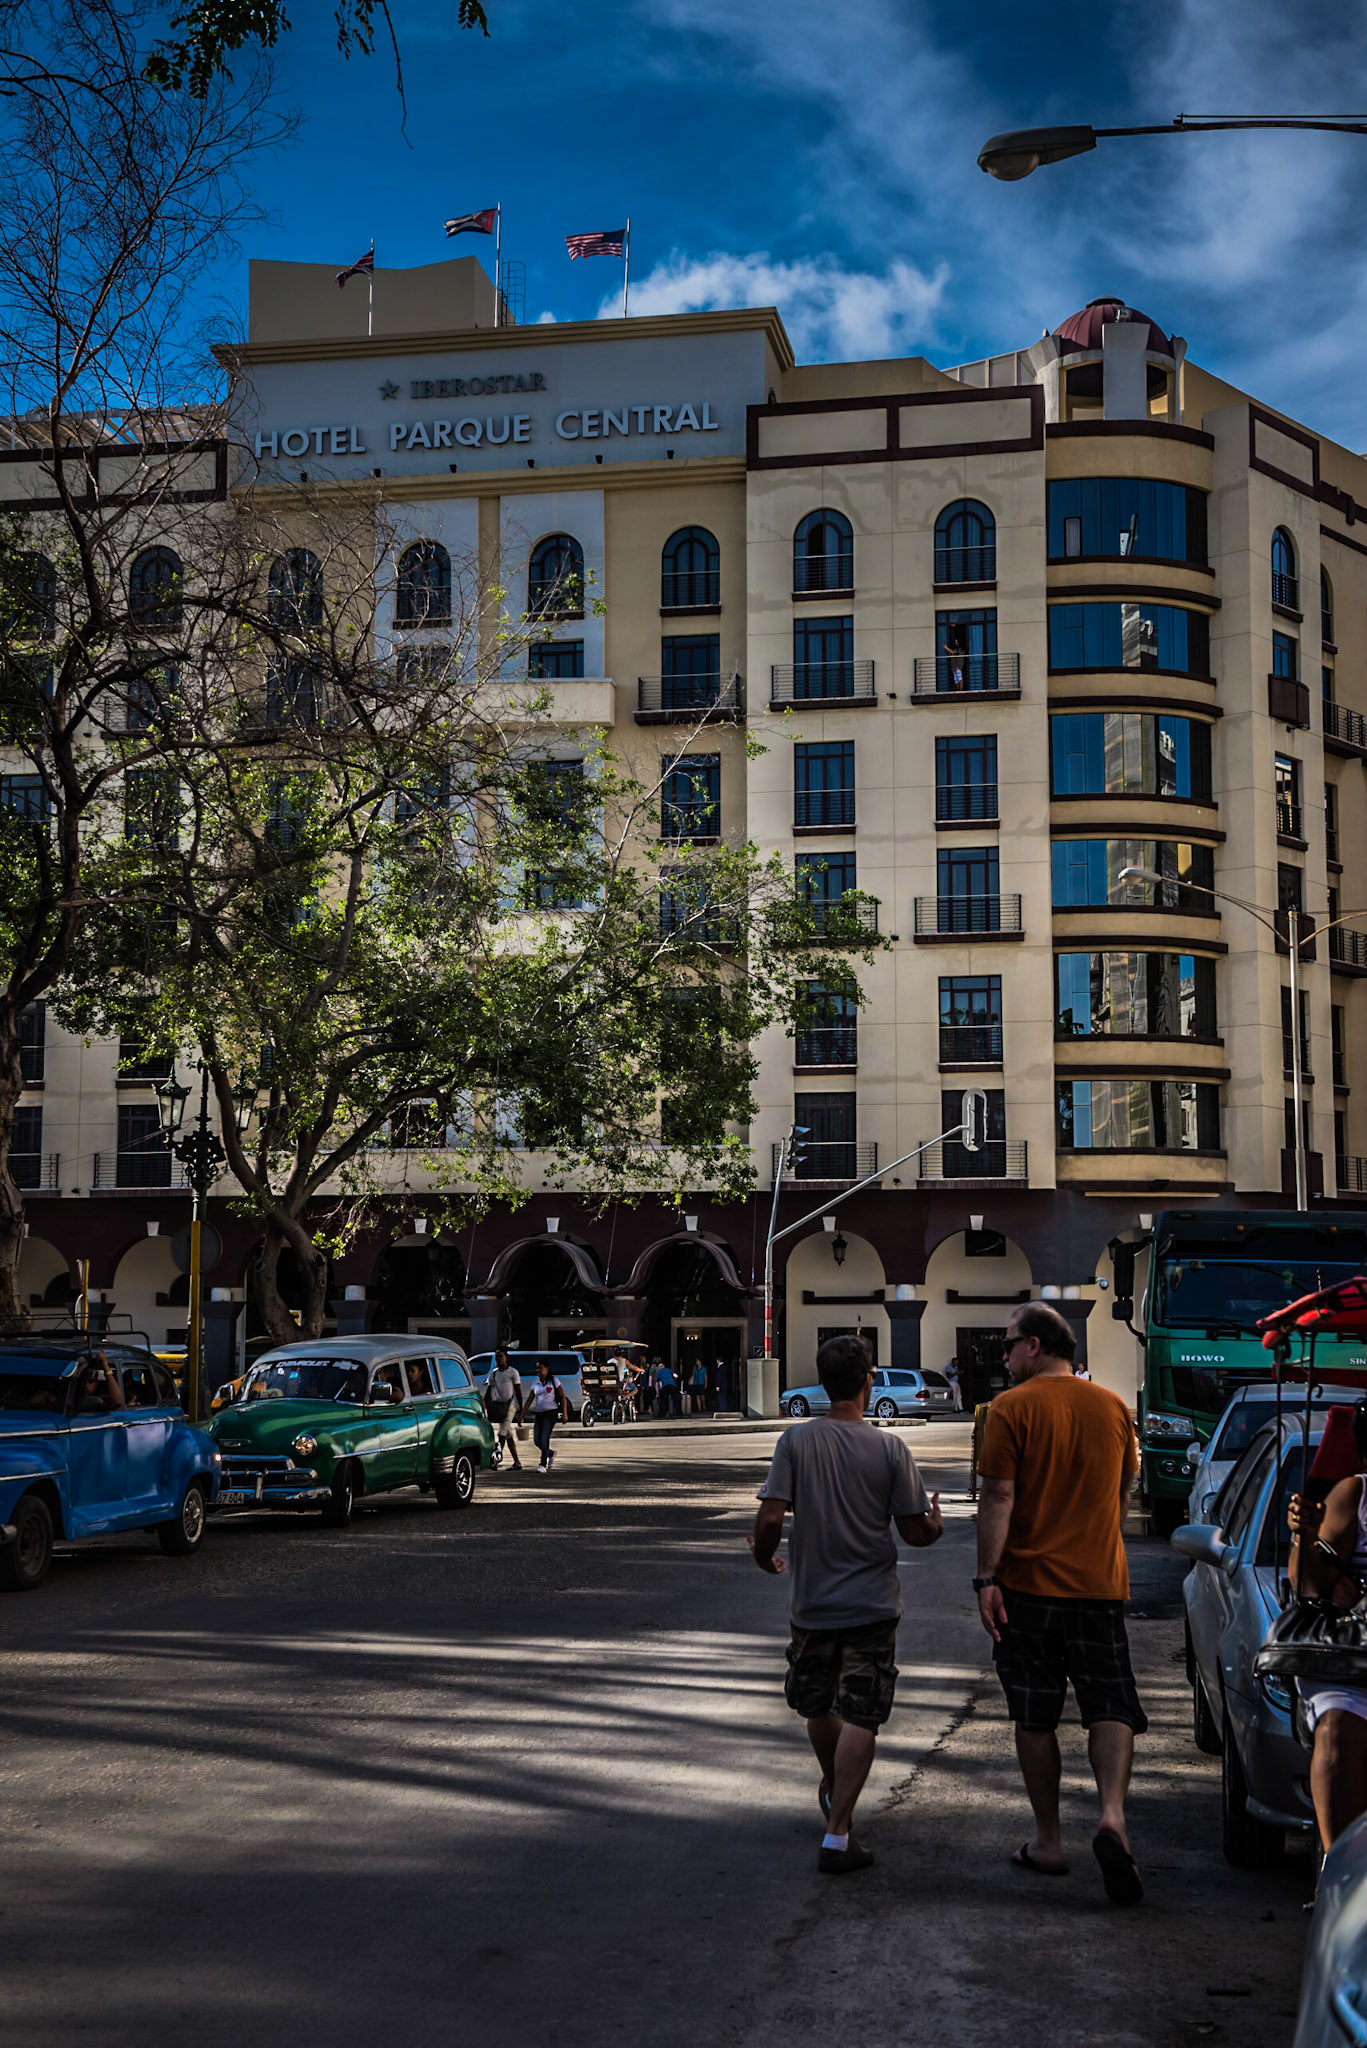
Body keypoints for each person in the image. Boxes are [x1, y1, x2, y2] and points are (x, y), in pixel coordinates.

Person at [751, 1333, 943, 1875]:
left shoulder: (794, 1442)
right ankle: (838, 1830)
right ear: (868, 1382)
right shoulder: (889, 1448)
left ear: (822, 1381)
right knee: (862, 1712)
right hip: (872, 1605)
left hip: (811, 1603)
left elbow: (769, 1518)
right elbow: (915, 1532)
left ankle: (837, 1793)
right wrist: (936, 1520)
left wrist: (766, 1559)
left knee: (817, 1706)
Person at [975, 1302, 1145, 1905]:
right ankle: (1112, 1820)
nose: (1004, 1356)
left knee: (1035, 1713)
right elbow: (1122, 1496)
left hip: (1028, 1588)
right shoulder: (1114, 1407)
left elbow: (998, 1496)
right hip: (1100, 1585)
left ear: (1037, 1346)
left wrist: (985, 1577)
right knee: (1110, 1703)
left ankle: (1049, 1840)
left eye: (1008, 1344)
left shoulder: (1010, 1408)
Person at [1288, 1398, 1367, 1847]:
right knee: (1337, 1727)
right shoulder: (1354, 1494)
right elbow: (1308, 1584)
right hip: (1355, 1658)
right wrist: (1307, 1537)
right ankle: (1337, 1866)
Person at [521, 1358, 567, 1473]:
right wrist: (522, 1414)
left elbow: (562, 1396)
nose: (538, 1371)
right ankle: (550, 1453)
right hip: (539, 1413)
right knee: (537, 1440)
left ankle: (542, 1464)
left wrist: (565, 1413)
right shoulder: (535, 1382)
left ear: (547, 1369)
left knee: (544, 1437)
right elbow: (530, 1399)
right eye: (536, 1368)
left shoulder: (554, 1380)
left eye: (540, 1368)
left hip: (551, 1413)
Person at [484, 1348, 524, 1472]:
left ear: (506, 1357)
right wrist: (485, 1407)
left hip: (510, 1406)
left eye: (501, 1356)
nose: (499, 1359)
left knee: (501, 1433)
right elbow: (488, 1392)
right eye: (496, 1357)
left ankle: (495, 1460)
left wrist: (522, 1411)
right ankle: (517, 1462)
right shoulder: (494, 1373)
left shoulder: (513, 1372)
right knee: (508, 1435)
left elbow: (518, 1391)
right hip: (499, 1407)